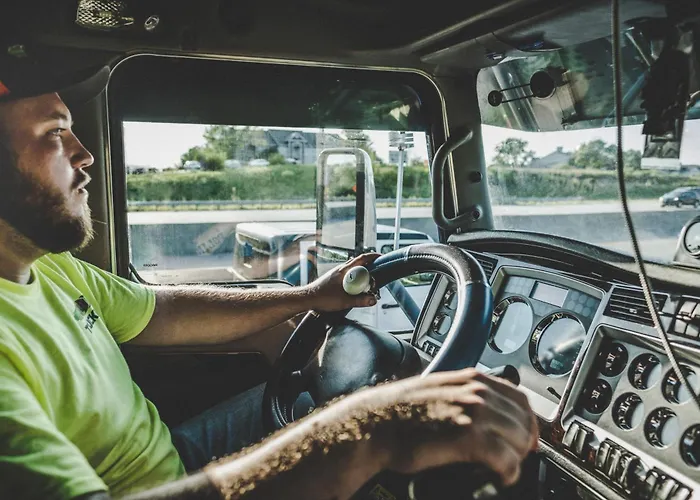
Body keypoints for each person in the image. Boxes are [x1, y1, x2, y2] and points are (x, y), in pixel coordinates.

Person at [0, 46, 538, 500]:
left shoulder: (51, 266)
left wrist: (308, 296)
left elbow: (162, 311)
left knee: (321, 402)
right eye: (55, 133)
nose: (85, 155)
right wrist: (370, 433)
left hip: (171, 457)